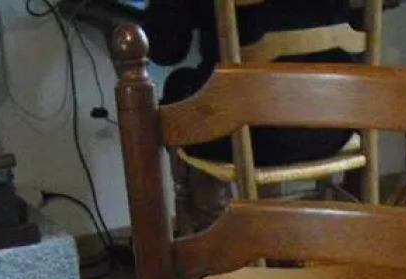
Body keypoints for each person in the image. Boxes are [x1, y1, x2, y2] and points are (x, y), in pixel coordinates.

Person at [144, 0, 375, 165]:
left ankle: (216, 221)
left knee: (178, 91)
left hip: (249, 134)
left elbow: (165, 51)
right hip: (337, 124)